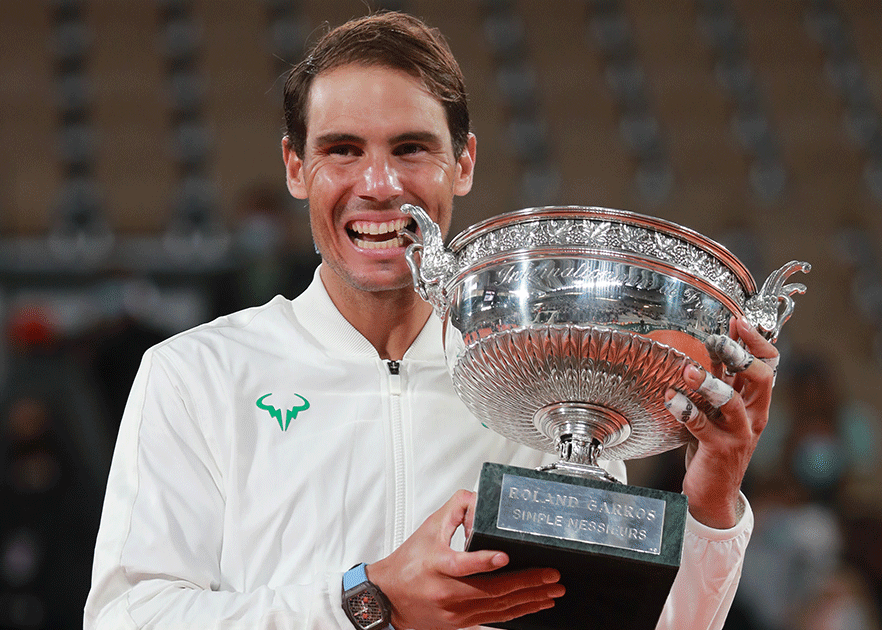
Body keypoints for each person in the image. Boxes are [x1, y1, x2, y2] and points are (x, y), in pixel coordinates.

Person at [84, 11, 780, 630]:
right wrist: (367, 601)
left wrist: (711, 502)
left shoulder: (546, 387)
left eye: (411, 148)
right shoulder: (196, 375)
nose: (380, 186)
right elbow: (127, 617)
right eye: (342, 149)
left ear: (463, 163)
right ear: (296, 168)